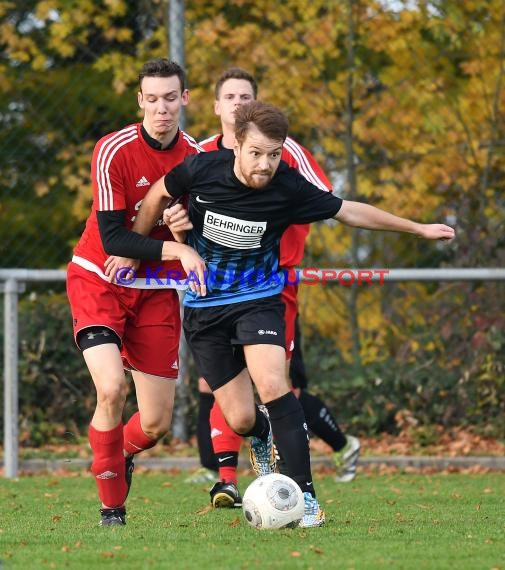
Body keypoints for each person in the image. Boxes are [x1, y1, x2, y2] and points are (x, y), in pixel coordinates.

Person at [131, 100, 455, 528]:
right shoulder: (201, 170)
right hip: (204, 307)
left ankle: (306, 496)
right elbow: (157, 192)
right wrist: (137, 249)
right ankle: (262, 435)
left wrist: (417, 227)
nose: (265, 164)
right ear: (237, 145)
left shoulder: (287, 187)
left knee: (273, 384)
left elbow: (348, 211)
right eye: (256, 153)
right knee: (242, 418)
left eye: (274, 153)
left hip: (258, 298)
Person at [183, 68, 359, 507]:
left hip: (269, 286)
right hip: (209, 296)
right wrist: (172, 238)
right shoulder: (200, 157)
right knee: (226, 398)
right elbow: (170, 206)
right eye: (230, 96)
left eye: (247, 95)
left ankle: (305, 493)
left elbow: (324, 202)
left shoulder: (287, 154)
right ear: (218, 108)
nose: (239, 102)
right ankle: (231, 471)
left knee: (278, 386)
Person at [66, 58, 205, 527]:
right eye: (153, 99)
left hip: (155, 290)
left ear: (184, 98)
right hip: (99, 280)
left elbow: (198, 239)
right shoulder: (113, 150)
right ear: (140, 100)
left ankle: (112, 455)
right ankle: (112, 508)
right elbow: (114, 241)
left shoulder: (196, 158)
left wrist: (186, 237)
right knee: (110, 389)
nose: (162, 108)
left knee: (156, 424)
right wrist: (176, 251)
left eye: (171, 98)